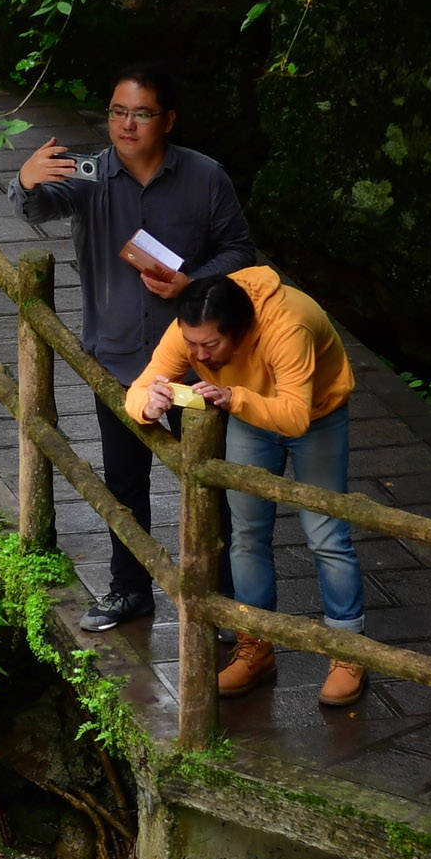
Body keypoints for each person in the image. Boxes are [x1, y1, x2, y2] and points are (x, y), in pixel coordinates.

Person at [14, 63, 260, 631]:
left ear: (167, 120)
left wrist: (191, 283)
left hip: (195, 359)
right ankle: (130, 591)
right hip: (120, 357)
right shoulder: (90, 173)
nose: (126, 125)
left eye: (141, 113)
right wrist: (26, 180)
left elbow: (241, 252)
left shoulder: (205, 178)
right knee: (124, 482)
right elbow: (36, 209)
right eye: (118, 112)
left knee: (209, 483)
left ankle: (222, 602)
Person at [127, 270, 366, 705]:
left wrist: (233, 399)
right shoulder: (194, 326)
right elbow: (144, 382)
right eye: (192, 344)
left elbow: (295, 416)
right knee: (247, 532)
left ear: (240, 331)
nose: (198, 353)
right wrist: (148, 404)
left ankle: (348, 651)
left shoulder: (286, 325)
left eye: (210, 346)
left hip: (317, 413)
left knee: (325, 533)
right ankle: (254, 645)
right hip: (246, 409)